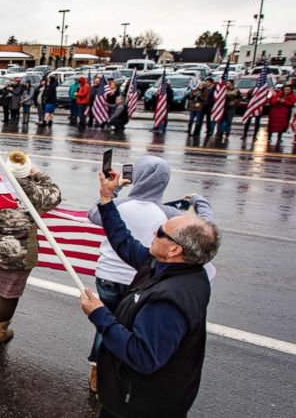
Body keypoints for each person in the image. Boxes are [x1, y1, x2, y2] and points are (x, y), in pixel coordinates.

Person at [82, 169, 221, 418]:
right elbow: (123, 241)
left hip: (137, 404)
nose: (153, 233)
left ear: (175, 250)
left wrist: (100, 314)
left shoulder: (167, 301)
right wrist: (106, 198)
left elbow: (143, 356)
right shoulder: (177, 268)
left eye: (160, 232)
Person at [0, 151, 61, 343]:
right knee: (9, 292)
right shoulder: (33, 190)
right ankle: (1, 332)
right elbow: (55, 194)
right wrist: (39, 174)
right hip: (19, 254)